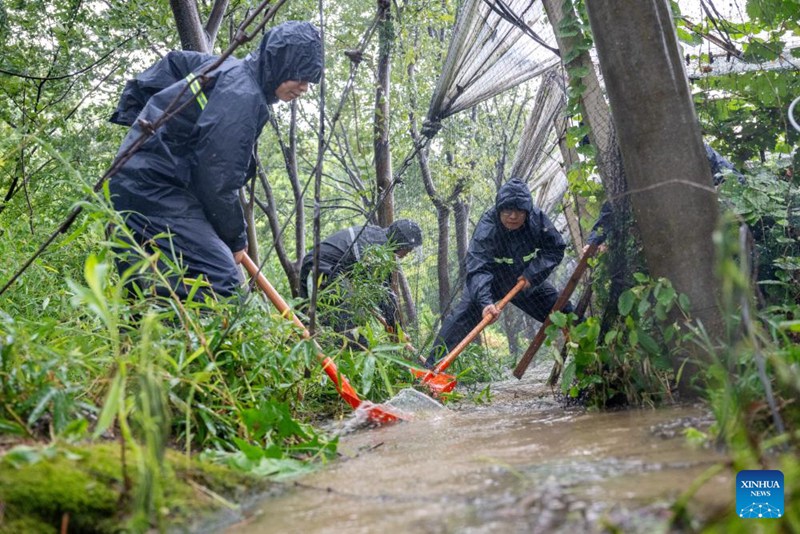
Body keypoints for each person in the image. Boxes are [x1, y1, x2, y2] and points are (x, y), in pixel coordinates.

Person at [108, 21, 323, 299]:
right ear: (280, 64)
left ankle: (151, 339)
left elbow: (173, 64)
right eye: (301, 77)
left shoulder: (227, 69)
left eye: (310, 81)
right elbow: (217, 176)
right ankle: (198, 340)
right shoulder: (242, 94)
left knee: (148, 291)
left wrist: (147, 130)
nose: (305, 88)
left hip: (136, 186)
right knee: (222, 282)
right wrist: (235, 239)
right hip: (154, 191)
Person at [426, 178, 573, 368]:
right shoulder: (488, 227)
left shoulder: (537, 220)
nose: (513, 216)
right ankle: (431, 370)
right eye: (507, 211)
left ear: (527, 211)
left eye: (519, 211)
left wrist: (532, 275)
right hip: (489, 281)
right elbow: (478, 267)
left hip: (523, 280)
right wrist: (486, 303)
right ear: (499, 210)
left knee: (563, 310)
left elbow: (555, 249)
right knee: (459, 320)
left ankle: (593, 356)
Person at [299, 219, 423, 334]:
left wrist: (394, 326)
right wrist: (397, 330)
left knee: (328, 326)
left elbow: (384, 291)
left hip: (325, 268)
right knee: (351, 326)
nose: (409, 252)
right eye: (409, 248)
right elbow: (384, 294)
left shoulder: (378, 237)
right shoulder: (377, 249)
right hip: (321, 267)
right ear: (400, 243)